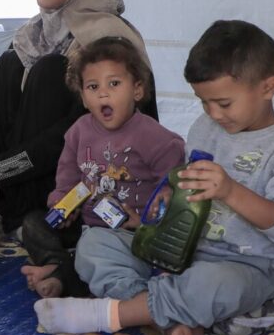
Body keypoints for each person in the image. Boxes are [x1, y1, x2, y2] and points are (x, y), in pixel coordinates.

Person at [35, 20, 274, 335]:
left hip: (244, 264)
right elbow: (183, 184)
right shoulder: (206, 127)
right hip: (178, 255)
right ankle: (173, 321)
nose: (213, 114)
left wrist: (230, 191)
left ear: (268, 87)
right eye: (204, 103)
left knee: (211, 285)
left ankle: (113, 315)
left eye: (224, 103)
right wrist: (168, 196)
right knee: (95, 244)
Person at [0, 0, 159, 237]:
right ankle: (3, 200)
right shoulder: (34, 33)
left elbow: (76, 133)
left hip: (94, 179)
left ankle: (31, 213)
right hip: (17, 175)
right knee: (8, 62)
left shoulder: (109, 42)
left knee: (49, 70)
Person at [22, 36, 185, 298]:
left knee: (95, 252)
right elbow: (67, 177)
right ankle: (58, 264)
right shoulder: (78, 132)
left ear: (137, 90)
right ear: (84, 98)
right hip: (87, 225)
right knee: (32, 224)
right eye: (93, 86)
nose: (103, 93)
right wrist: (63, 205)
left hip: (131, 234)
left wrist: (145, 223)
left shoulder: (156, 138)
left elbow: (174, 190)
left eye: (114, 83)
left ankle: (67, 276)